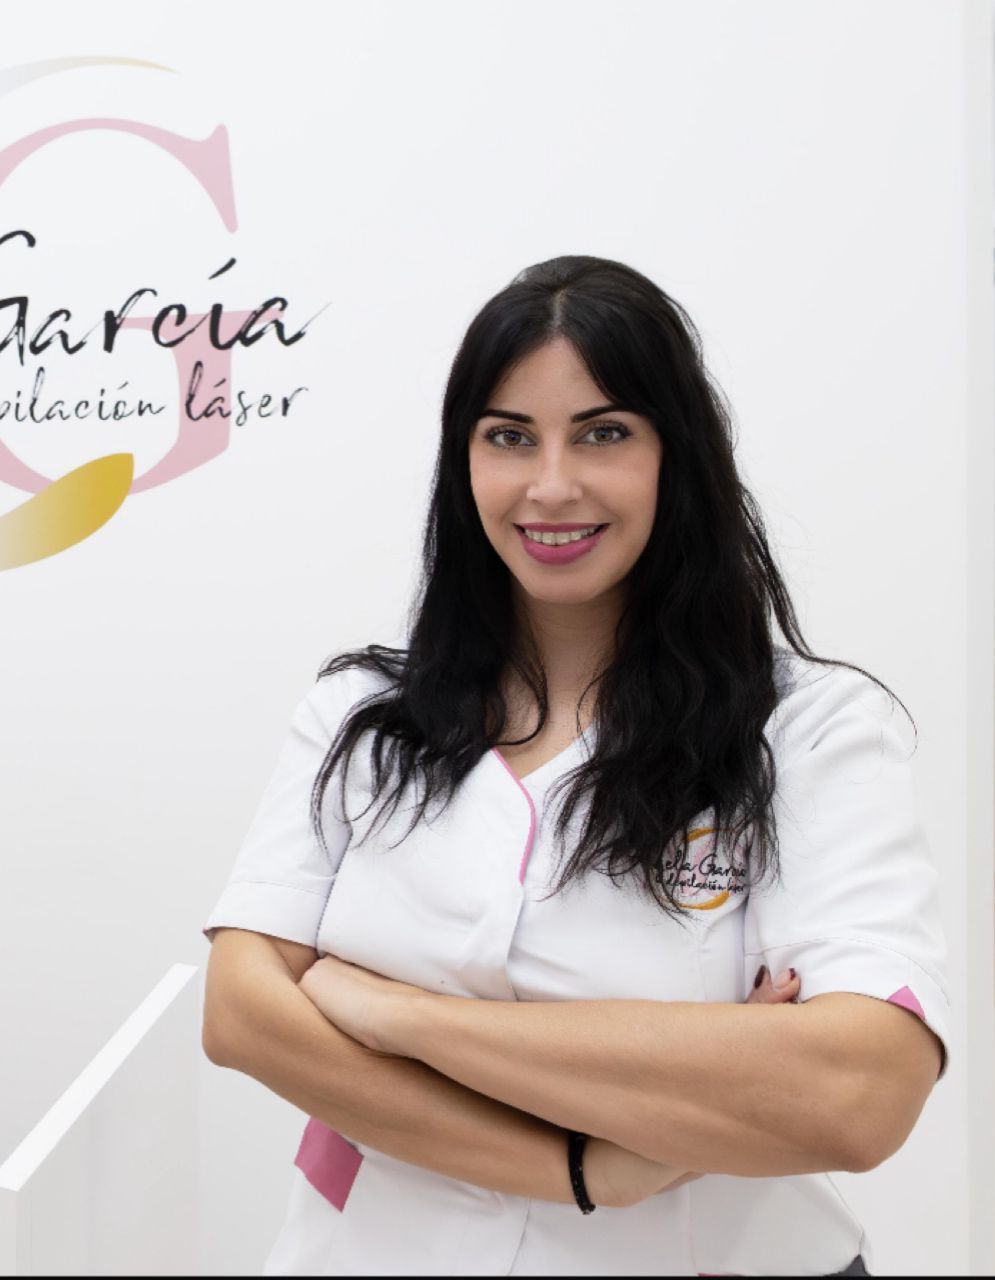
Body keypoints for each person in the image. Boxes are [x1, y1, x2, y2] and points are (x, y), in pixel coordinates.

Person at [199, 256, 952, 1276]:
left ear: (672, 456)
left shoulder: (807, 731)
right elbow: (242, 1013)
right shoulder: (364, 716)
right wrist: (589, 1164)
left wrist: (397, 1013)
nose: (550, 485)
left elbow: (858, 1093)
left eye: (602, 433)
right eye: (509, 437)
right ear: (463, 463)